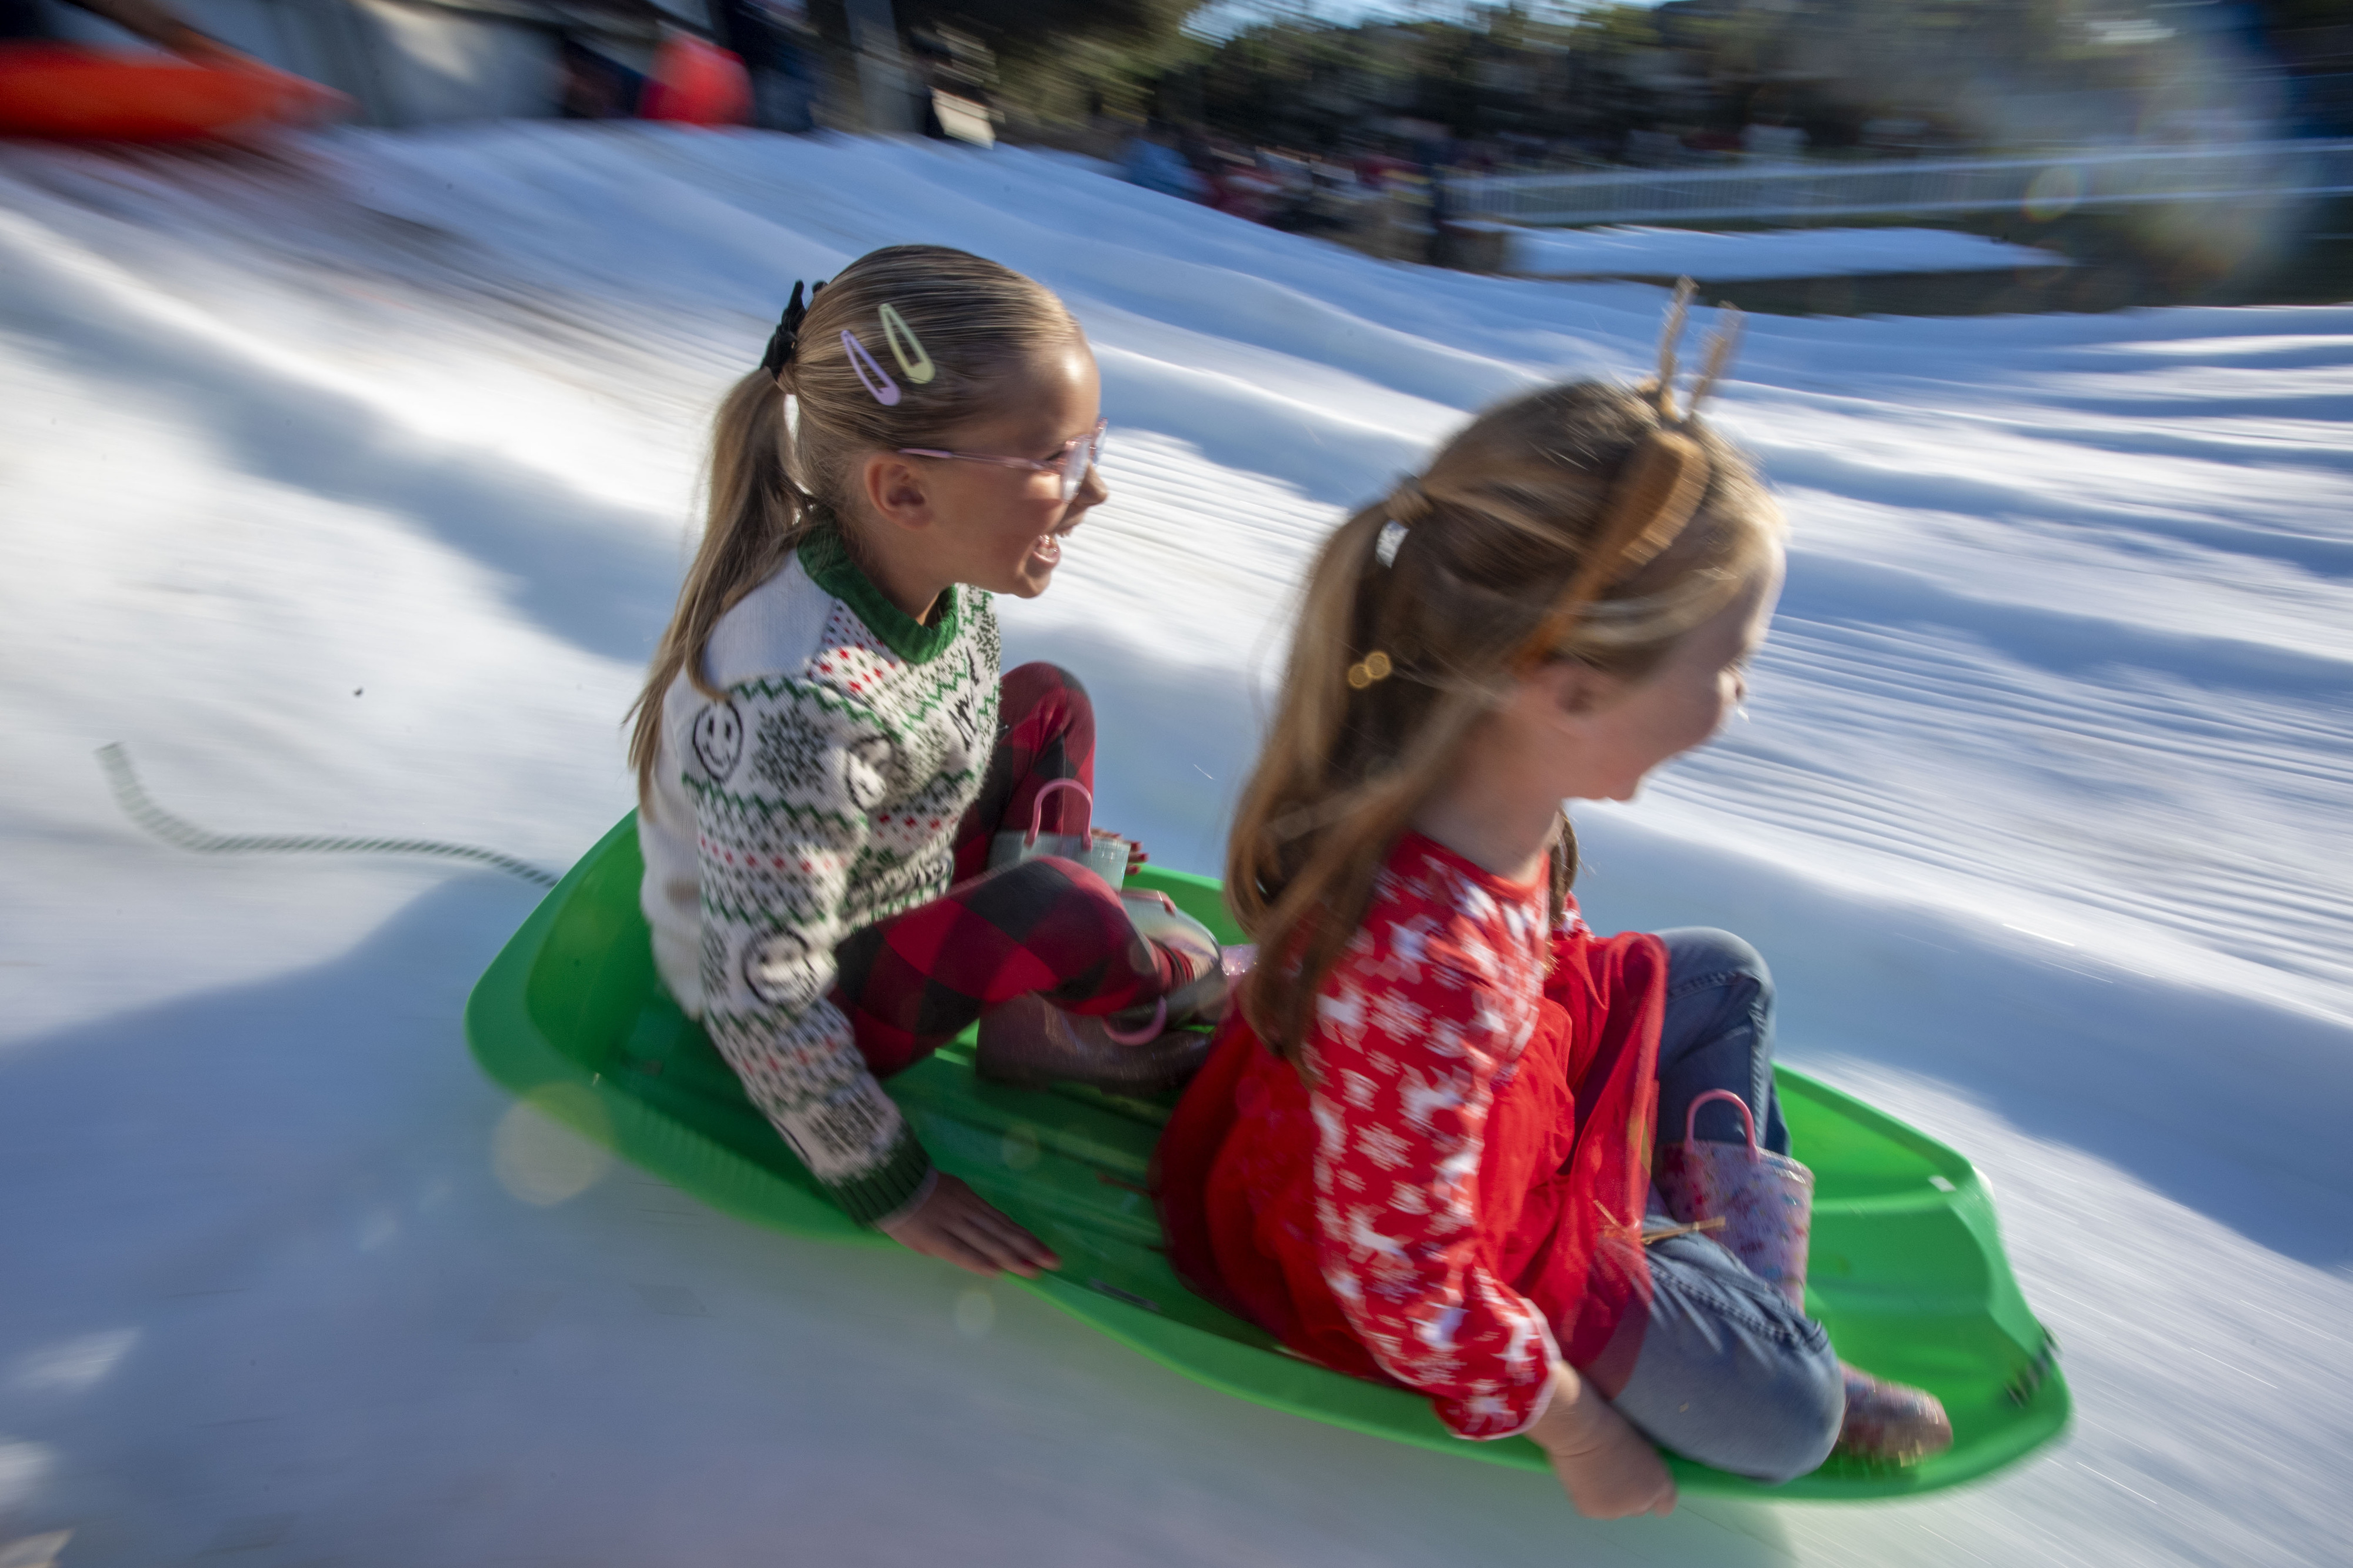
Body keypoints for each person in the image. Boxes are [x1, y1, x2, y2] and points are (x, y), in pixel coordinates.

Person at [1154, 288, 1952, 1519]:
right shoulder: (1429, 961)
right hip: (1430, 1250)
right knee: (1788, 1414)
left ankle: (1712, 1289)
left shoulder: (1477, 783)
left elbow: (1510, 982)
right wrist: (1571, 1423)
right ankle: (1725, 1309)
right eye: (1725, 665)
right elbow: (1403, 1284)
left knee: (1717, 972)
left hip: (1480, 1113)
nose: (1736, 701)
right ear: (1565, 691)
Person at [629, 245, 1229, 1279]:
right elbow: (758, 992)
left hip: (884, 866)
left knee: (1049, 703)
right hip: (811, 993)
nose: (1095, 492)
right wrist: (894, 1186)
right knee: (1063, 910)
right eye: (1055, 460)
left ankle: (1037, 1008)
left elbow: (931, 737)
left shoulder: (919, 569)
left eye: (1090, 445)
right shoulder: (803, 711)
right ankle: (1162, 991)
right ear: (903, 490)